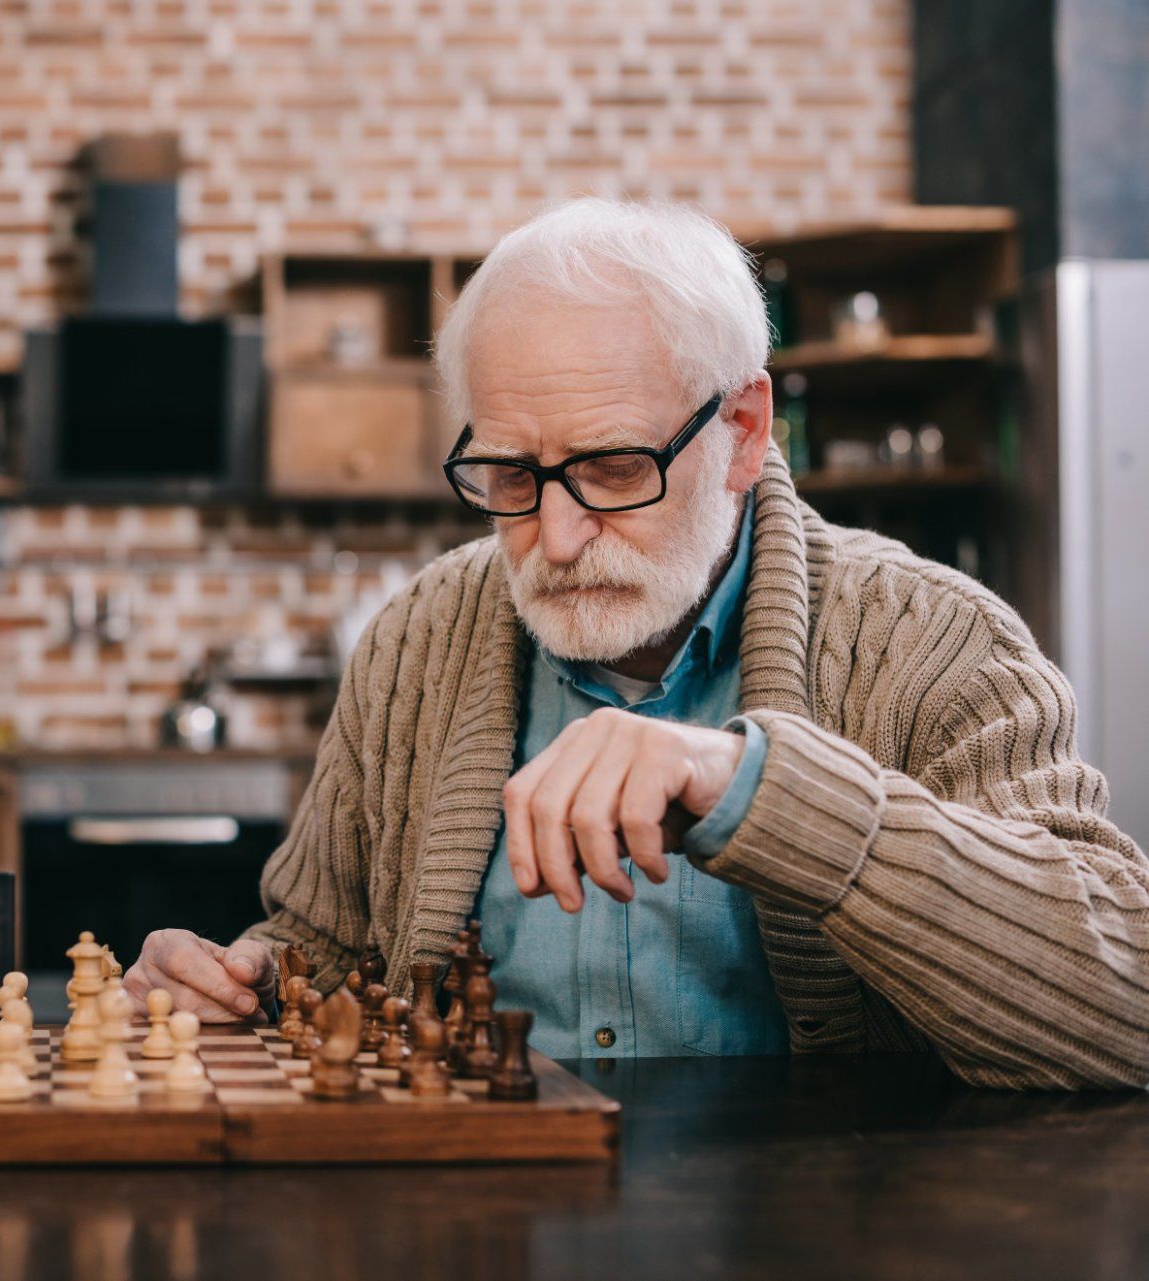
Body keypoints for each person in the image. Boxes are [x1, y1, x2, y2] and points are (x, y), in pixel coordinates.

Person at [125, 197, 1149, 1090]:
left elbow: (1121, 1010)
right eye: (510, 477)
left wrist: (757, 789)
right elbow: (323, 951)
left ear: (745, 430)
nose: (557, 539)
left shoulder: (935, 641)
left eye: (613, 469)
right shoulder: (413, 643)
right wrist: (243, 984)